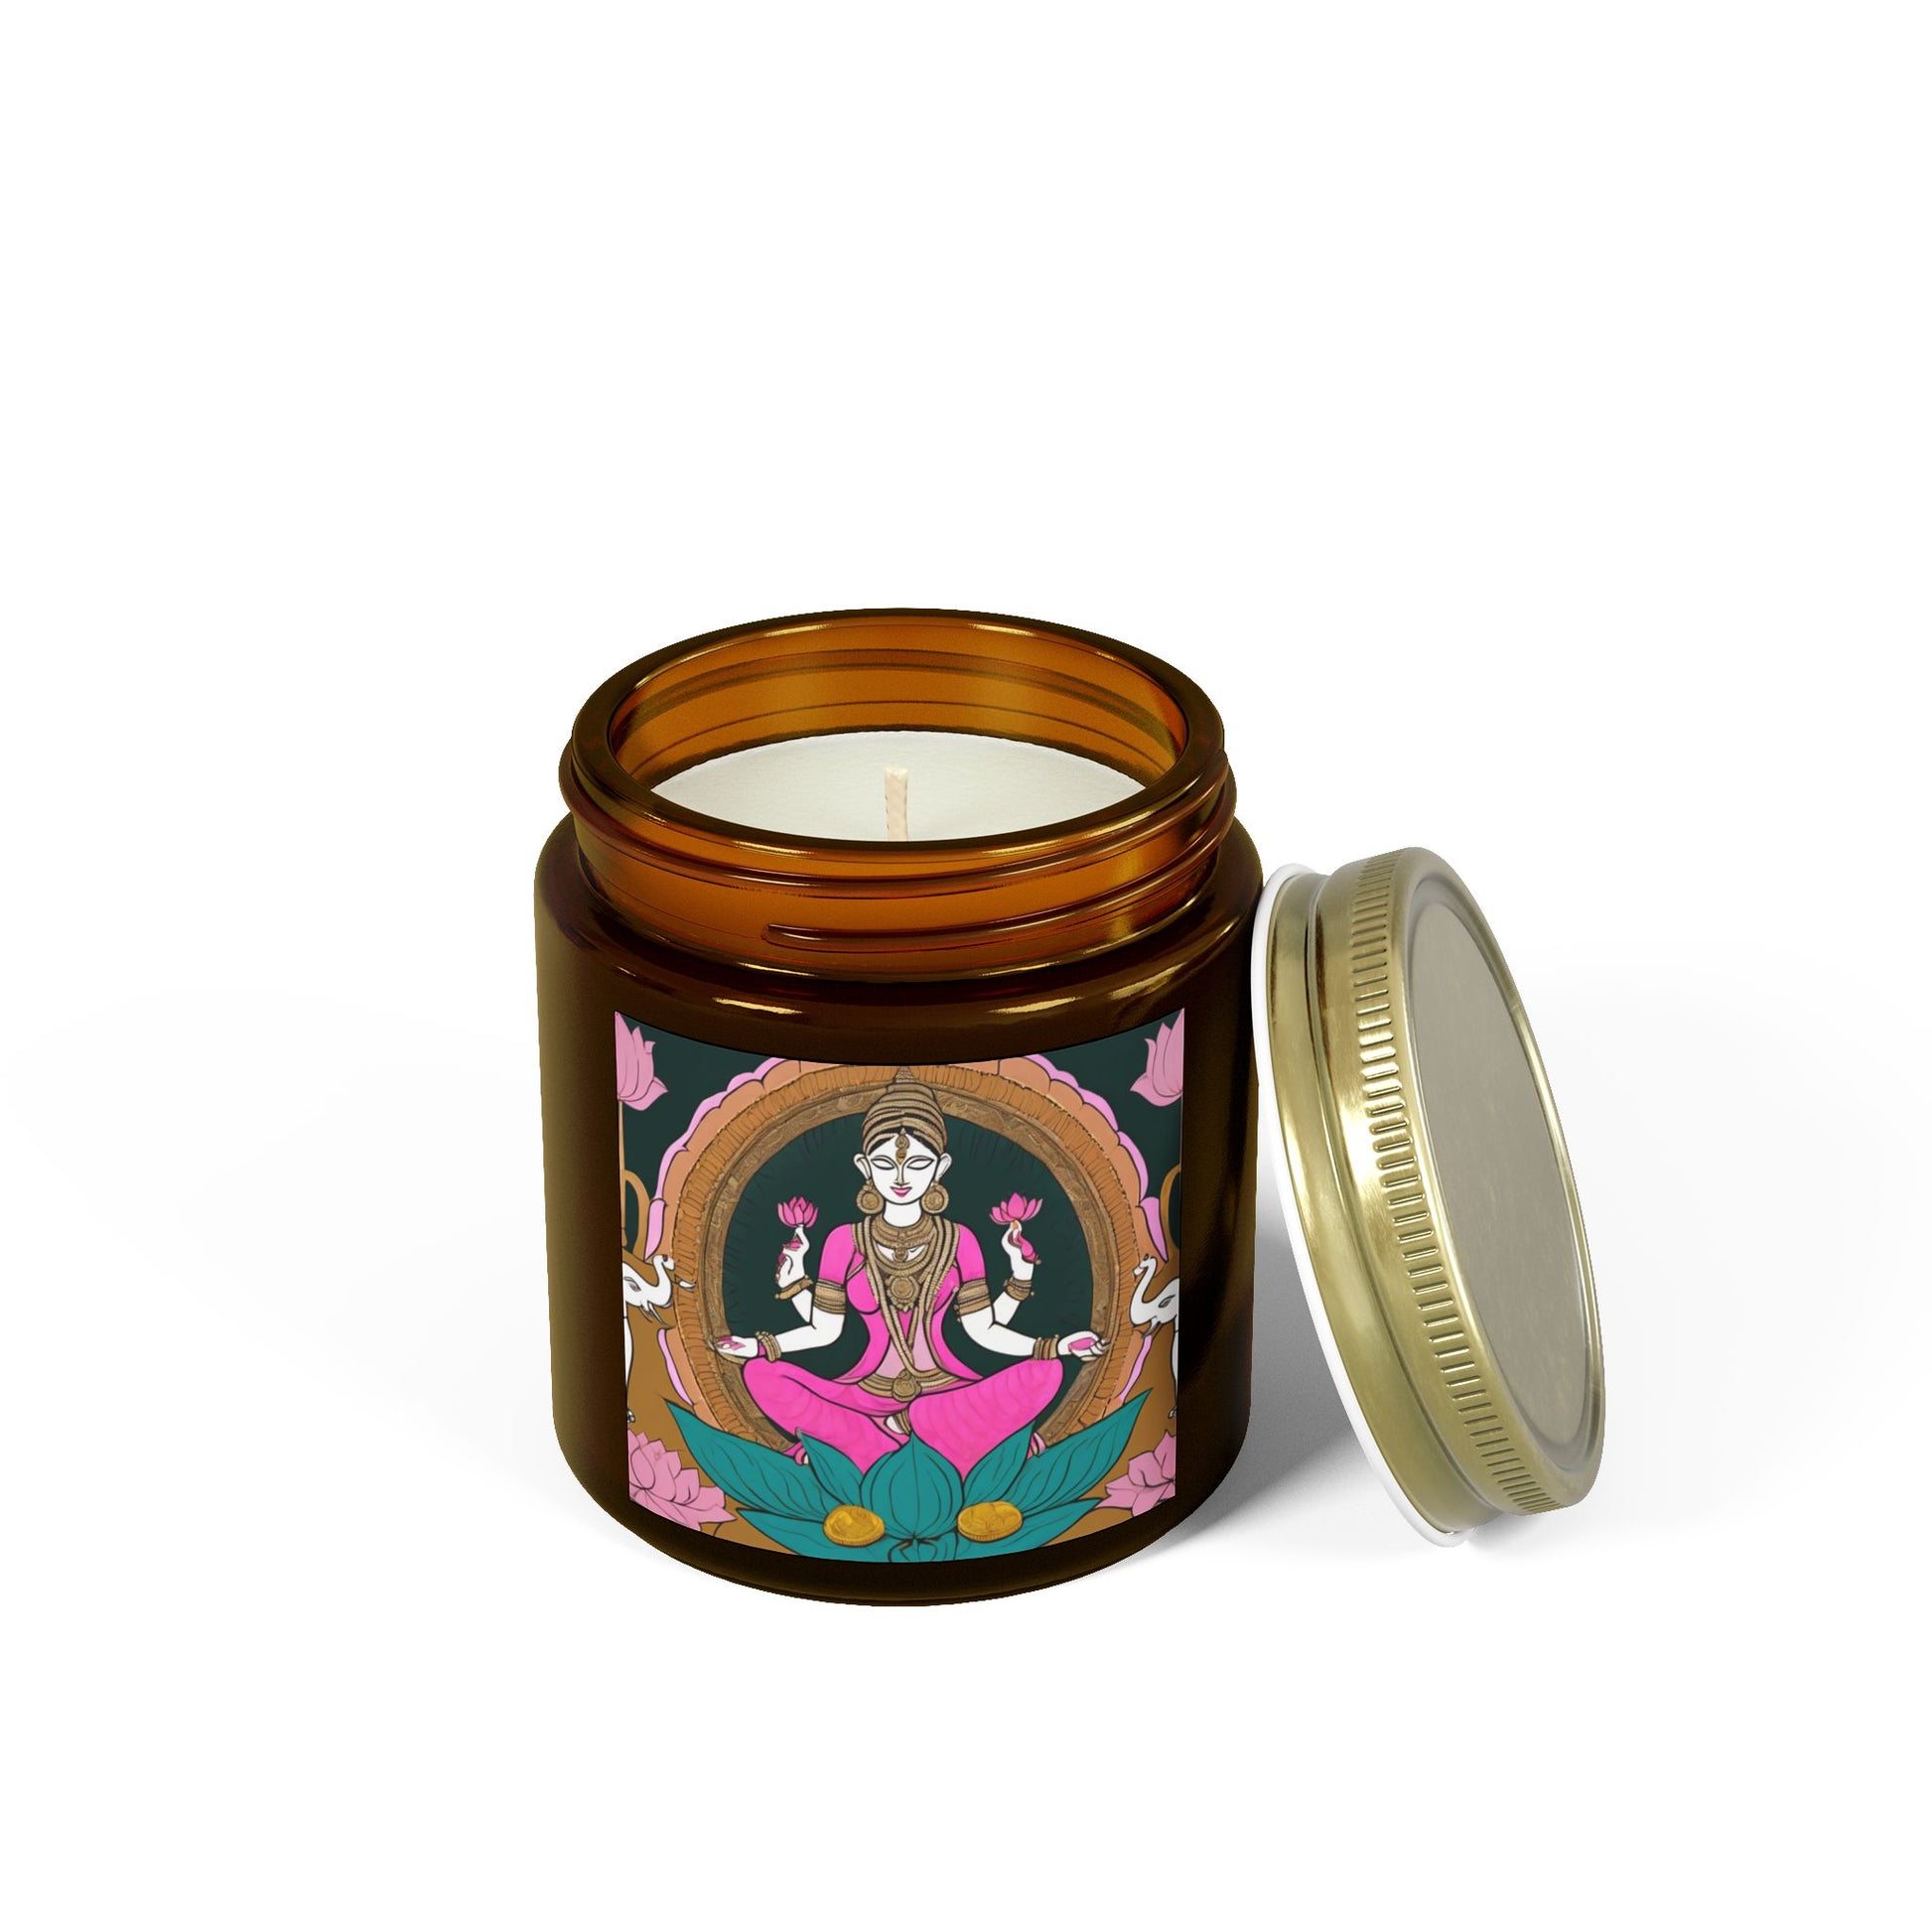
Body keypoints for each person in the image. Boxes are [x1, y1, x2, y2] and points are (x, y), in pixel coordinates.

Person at [714, 1069, 1106, 1473]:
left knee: (1045, 1373)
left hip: (945, 1392)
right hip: (864, 1396)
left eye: (918, 1164)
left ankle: (872, 1442)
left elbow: (983, 1330)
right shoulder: (844, 1240)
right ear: (864, 1166)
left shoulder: (959, 1239)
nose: (901, 1178)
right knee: (762, 1375)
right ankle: (921, 1442)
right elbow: (825, 1330)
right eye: (885, 1164)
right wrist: (758, 1347)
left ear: (941, 1167)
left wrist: (1055, 1347)